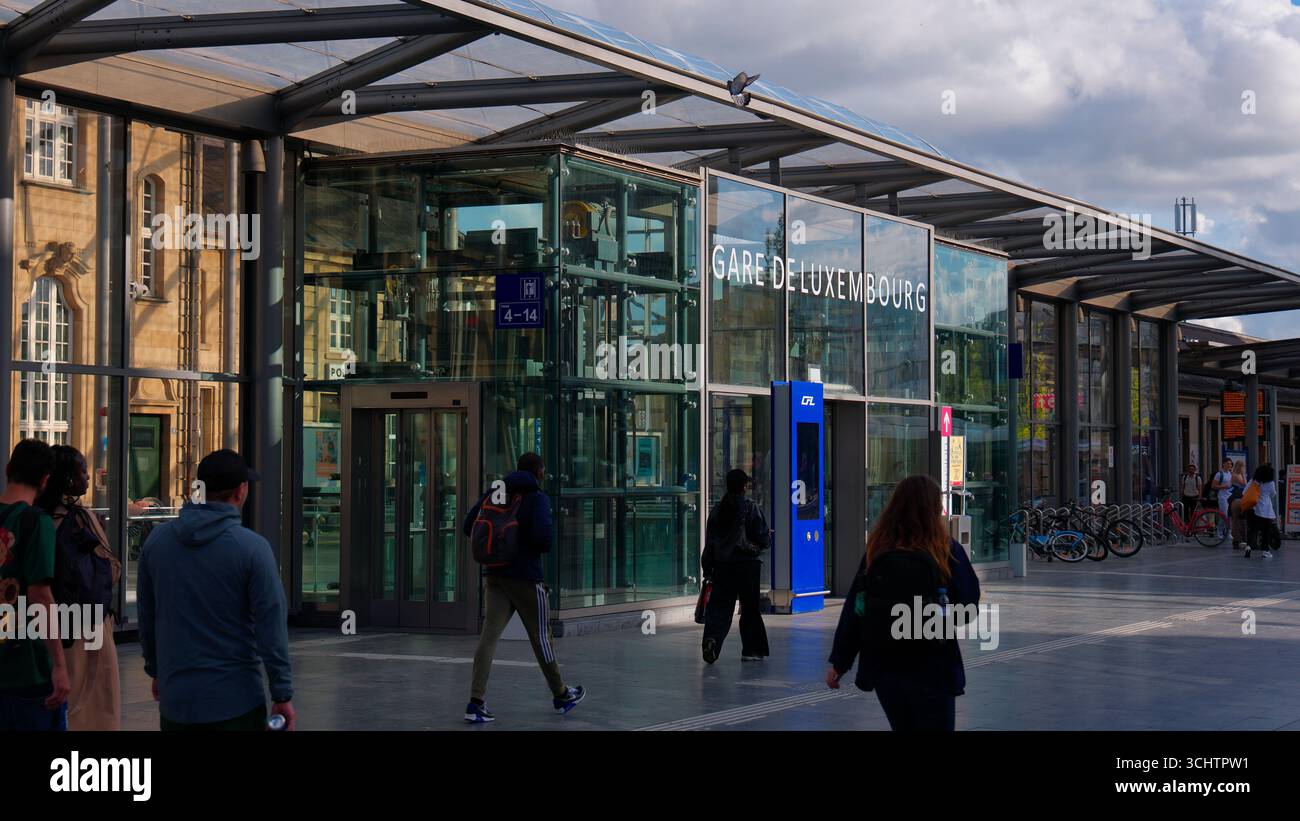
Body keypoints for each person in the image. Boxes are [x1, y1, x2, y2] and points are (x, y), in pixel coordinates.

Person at [137, 449, 295, 731]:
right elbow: (271, 626)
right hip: (236, 701)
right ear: (240, 491)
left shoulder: (158, 542)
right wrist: (281, 693)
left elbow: (148, 616)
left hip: (177, 702)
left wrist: (157, 669)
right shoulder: (252, 549)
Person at [826, 475, 980, 732]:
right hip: (933, 664)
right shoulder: (945, 549)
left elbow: (856, 608)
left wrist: (840, 663)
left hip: (887, 665)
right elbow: (968, 604)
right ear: (934, 508)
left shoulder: (877, 550)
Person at [462, 453, 584, 723]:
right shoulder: (537, 498)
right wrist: (522, 548)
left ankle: (475, 702)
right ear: (539, 472)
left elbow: (468, 525)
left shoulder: (495, 492)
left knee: (488, 638)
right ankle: (561, 694)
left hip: (495, 575)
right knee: (542, 637)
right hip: (527, 577)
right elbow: (543, 539)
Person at [36, 445, 121, 730]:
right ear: (67, 479)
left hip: (46, 626)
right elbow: (112, 569)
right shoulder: (81, 519)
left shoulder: (36, 517)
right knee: (95, 706)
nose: (87, 478)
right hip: (88, 627)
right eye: (82, 471)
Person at [0, 439, 70, 731]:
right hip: (26, 668)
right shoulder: (34, 522)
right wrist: (59, 664)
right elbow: (41, 597)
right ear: (45, 480)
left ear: (8, 469)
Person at [700, 468, 770, 664]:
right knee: (750, 609)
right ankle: (751, 650)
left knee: (720, 607)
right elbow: (763, 538)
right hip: (747, 565)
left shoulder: (717, 510)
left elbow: (711, 543)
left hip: (723, 566)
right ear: (744, 487)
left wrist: (708, 567)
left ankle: (712, 639)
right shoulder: (750, 507)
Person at [1243, 464, 1280, 560]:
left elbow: (1244, 492)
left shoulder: (1253, 481)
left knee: (1252, 530)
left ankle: (1248, 547)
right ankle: (1265, 551)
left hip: (1253, 509)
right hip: (1266, 511)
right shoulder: (1270, 483)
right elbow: (1273, 494)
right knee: (1265, 531)